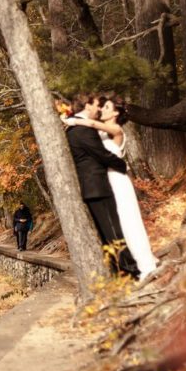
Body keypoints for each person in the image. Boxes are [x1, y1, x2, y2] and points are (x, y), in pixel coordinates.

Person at [64, 98, 158, 280]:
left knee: (127, 222)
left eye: (106, 107)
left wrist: (72, 120)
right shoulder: (98, 132)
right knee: (119, 224)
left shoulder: (116, 130)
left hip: (118, 180)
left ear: (115, 113)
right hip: (106, 181)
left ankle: (140, 266)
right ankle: (129, 266)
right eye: (101, 106)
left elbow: (90, 122)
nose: (101, 110)